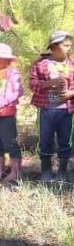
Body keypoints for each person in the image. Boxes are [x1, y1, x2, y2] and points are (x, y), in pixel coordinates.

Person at [29, 31, 74, 182]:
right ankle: (46, 171)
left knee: (65, 142)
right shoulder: (41, 64)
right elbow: (32, 83)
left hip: (66, 111)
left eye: (69, 45)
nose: (69, 48)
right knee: (45, 141)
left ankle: (62, 172)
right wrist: (50, 83)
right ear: (54, 46)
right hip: (47, 110)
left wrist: (72, 93)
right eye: (65, 45)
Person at [0, 44, 22, 184]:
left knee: (10, 143)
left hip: (7, 114)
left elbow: (16, 92)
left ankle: (15, 173)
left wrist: (2, 102)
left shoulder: (13, 74)